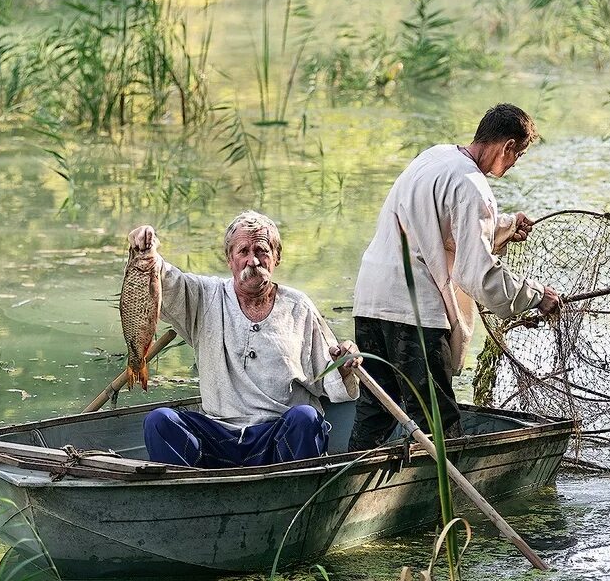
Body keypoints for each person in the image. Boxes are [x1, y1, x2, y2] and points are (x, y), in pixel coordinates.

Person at [348, 103, 560, 451]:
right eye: (518, 154)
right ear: (507, 146)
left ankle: (345, 490)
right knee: (437, 423)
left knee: (375, 411)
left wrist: (504, 227)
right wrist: (537, 296)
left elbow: (437, 230)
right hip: (414, 312)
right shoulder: (474, 188)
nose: (514, 163)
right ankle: (442, 502)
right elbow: (477, 275)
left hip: (370, 300)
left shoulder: (435, 156)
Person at [127, 212, 360, 468]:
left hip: (277, 438)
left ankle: (293, 493)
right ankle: (189, 495)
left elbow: (330, 380)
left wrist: (345, 365)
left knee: (306, 418)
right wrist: (144, 247)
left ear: (276, 257)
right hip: (218, 436)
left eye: (262, 251)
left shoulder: (298, 307)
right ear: (230, 259)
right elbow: (162, 277)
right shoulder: (206, 296)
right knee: (159, 421)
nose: (253, 260)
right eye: (243, 251)